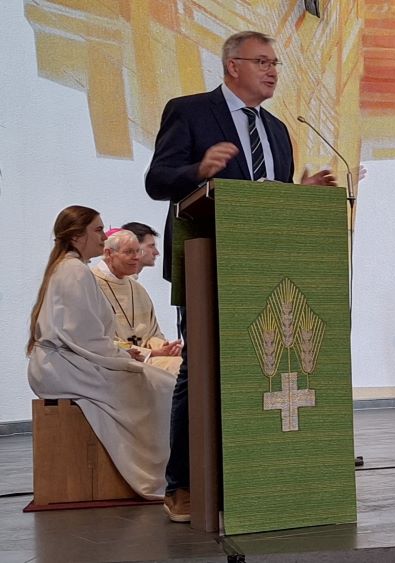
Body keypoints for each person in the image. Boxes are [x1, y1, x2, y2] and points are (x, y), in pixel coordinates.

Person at [145, 30, 338, 522]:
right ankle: (182, 485)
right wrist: (196, 170)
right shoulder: (189, 110)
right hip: (205, 258)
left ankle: (254, 471)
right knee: (201, 368)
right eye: (262, 61)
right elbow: (157, 181)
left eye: (275, 63)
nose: (273, 70)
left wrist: (300, 191)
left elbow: (262, 198)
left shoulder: (276, 128)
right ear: (233, 66)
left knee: (260, 370)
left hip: (263, 266)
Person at [26, 206, 176, 499]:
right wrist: (125, 358)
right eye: (97, 230)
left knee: (154, 378)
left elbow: (88, 337)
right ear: (77, 236)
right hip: (62, 367)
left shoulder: (72, 267)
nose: (103, 236)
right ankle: (159, 475)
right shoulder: (74, 272)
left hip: (67, 361)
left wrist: (131, 356)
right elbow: (86, 338)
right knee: (159, 384)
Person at [92, 229, 182, 375]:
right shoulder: (91, 285)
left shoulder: (137, 289)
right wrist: (150, 353)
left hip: (148, 358)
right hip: (111, 364)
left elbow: (153, 332)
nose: (136, 258)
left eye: (138, 252)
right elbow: (95, 338)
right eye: (129, 252)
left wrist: (165, 348)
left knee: (187, 363)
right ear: (109, 254)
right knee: (181, 369)